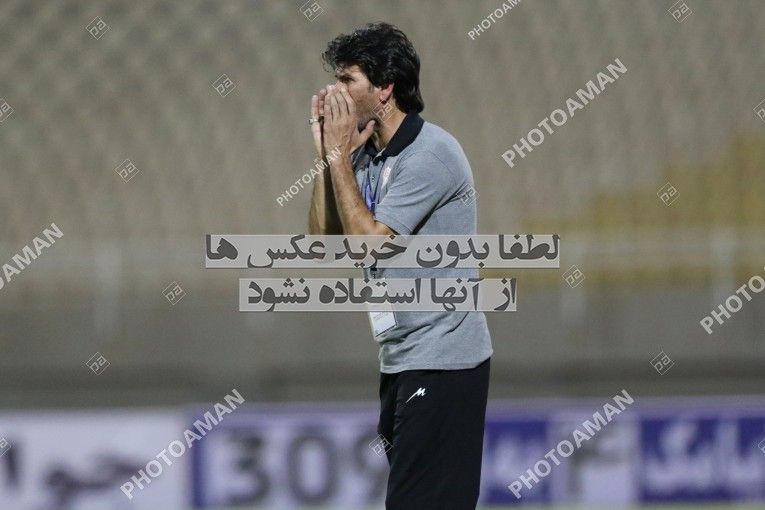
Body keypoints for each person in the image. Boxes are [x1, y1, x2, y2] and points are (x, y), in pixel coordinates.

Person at [307, 22, 492, 510]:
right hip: (401, 359)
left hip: (443, 360)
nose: (334, 93)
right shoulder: (366, 157)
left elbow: (370, 247)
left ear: (384, 88)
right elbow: (323, 242)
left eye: (347, 80)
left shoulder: (431, 154)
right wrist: (328, 160)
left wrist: (338, 158)